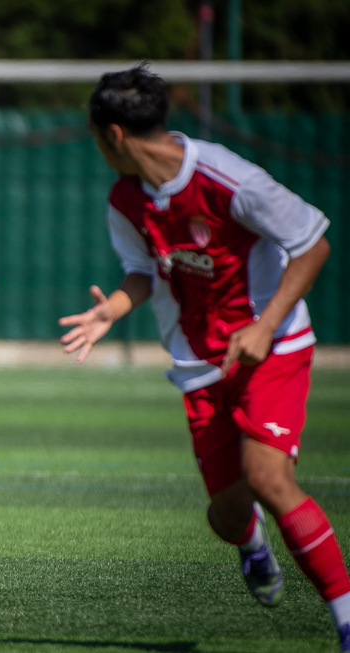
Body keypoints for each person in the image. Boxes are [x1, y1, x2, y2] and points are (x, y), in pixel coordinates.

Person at [59, 65, 347, 649]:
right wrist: (111, 311)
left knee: (269, 476)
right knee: (226, 514)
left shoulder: (228, 178)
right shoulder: (126, 198)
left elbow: (312, 245)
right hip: (199, 363)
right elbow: (141, 273)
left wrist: (265, 327)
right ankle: (251, 544)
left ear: (113, 134)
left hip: (273, 346)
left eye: (94, 136)